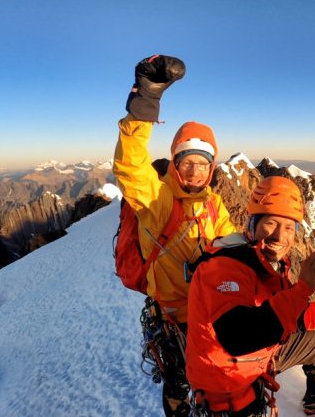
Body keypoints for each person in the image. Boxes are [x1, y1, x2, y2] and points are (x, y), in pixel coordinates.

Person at [113, 55, 237, 416]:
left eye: (203, 163)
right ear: (175, 164)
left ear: (212, 168)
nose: (195, 171)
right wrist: (145, 103)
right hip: (173, 317)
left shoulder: (215, 205)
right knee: (179, 382)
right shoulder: (159, 200)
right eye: (187, 162)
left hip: (209, 313)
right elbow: (131, 167)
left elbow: (234, 247)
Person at [186, 176, 315, 416]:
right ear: (252, 223)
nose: (279, 236)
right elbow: (238, 336)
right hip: (226, 381)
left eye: (288, 227)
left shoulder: (266, 260)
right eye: (271, 223)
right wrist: (303, 288)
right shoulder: (225, 266)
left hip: (251, 364)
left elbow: (284, 312)